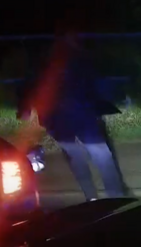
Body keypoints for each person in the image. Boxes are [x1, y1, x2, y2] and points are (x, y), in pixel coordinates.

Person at [16, 31, 129, 200]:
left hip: (59, 118)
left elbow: (30, 86)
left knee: (79, 156)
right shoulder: (77, 60)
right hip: (79, 115)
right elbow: (96, 84)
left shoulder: (44, 62)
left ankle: (93, 197)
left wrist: (24, 109)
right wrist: (118, 96)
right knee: (100, 155)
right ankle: (113, 196)